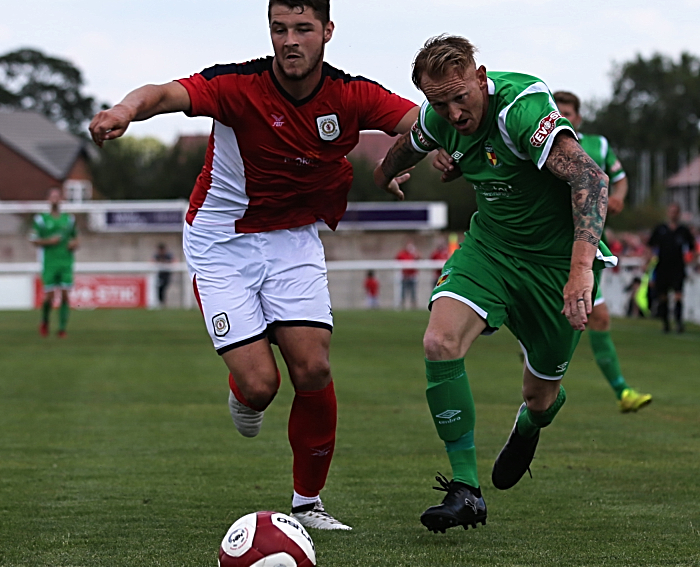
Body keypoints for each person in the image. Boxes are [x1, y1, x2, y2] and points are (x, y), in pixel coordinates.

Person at [89, 0, 418, 531]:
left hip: (292, 239)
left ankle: (308, 505)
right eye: (279, 28)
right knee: (262, 385)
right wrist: (125, 110)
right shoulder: (235, 86)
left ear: (327, 32)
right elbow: (163, 94)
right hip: (221, 242)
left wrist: (413, 155)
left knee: (313, 368)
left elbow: (420, 122)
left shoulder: (352, 94)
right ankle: (245, 390)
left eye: (303, 29)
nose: (290, 40)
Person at [374, 35, 615, 533]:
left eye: (461, 97)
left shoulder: (521, 110)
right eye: (440, 103)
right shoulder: (439, 116)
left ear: (481, 78)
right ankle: (466, 489)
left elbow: (591, 179)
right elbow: (406, 147)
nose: (454, 113)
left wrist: (580, 271)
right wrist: (385, 175)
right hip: (491, 250)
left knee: (540, 397)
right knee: (439, 342)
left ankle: (531, 423)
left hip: (554, 263)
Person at [554, 91, 651, 412]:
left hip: (586, 245)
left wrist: (618, 196)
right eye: (557, 111)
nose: (563, 116)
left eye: (568, 112)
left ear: (578, 117)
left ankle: (622, 392)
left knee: (598, 318)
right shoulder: (538, 142)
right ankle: (540, 386)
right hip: (548, 244)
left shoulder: (598, 145)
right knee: (555, 322)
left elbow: (619, 180)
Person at [30, 188, 79, 338]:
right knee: (49, 297)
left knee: (65, 295)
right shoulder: (41, 220)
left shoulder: (69, 220)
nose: (55, 199)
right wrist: (49, 241)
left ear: (61, 199)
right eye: (52, 197)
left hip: (65, 262)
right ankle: (45, 321)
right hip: (49, 262)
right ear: (48, 200)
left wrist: (74, 244)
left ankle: (62, 329)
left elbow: (76, 239)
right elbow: (33, 239)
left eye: (57, 196)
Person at [649, 202, 697, 333]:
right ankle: (665, 324)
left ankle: (679, 322)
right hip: (663, 266)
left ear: (679, 214)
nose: (673, 214)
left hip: (678, 267)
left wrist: (691, 261)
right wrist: (648, 263)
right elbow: (651, 246)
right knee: (663, 296)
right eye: (671, 211)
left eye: (676, 211)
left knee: (678, 295)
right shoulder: (660, 229)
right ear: (668, 213)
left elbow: (693, 248)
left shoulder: (683, 231)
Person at [396, 241, 420, 309]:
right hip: (405, 276)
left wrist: (415, 253)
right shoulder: (402, 254)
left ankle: (414, 305)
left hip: (412, 276)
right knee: (403, 292)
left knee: (413, 292)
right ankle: (402, 304)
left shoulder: (414, 254)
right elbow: (397, 259)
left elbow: (419, 258)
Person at [154, 243, 174, 307]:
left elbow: (174, 261)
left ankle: (163, 302)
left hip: (166, 275)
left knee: (164, 289)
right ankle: (161, 302)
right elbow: (152, 261)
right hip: (159, 275)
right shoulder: (157, 255)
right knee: (160, 289)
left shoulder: (168, 255)